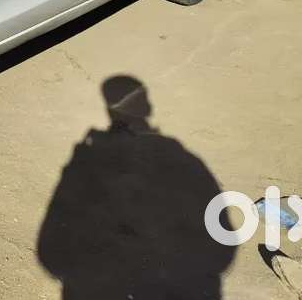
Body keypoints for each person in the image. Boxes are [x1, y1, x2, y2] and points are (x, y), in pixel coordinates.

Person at [37, 76, 235, 299]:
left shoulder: (87, 166)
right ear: (148, 107)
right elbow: (223, 250)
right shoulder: (184, 162)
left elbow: (50, 254)